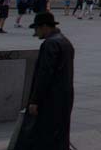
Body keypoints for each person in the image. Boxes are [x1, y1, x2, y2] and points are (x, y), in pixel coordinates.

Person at [13, 12, 75, 150]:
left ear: (45, 27)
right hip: (65, 95)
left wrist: (35, 100)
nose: (36, 33)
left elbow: (44, 74)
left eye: (36, 29)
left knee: (45, 134)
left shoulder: (50, 44)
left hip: (51, 98)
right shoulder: (65, 41)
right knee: (60, 133)